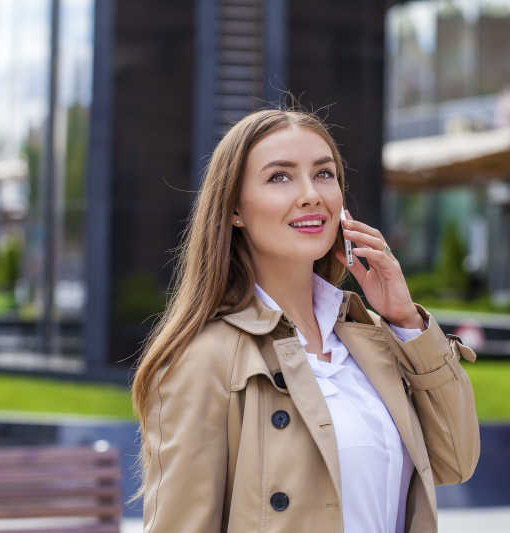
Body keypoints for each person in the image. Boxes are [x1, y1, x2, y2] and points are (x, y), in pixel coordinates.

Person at [130, 109, 479, 533]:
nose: (311, 194)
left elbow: (457, 460)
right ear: (235, 209)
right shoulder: (206, 358)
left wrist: (406, 321)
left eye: (324, 174)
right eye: (280, 177)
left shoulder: (370, 337)